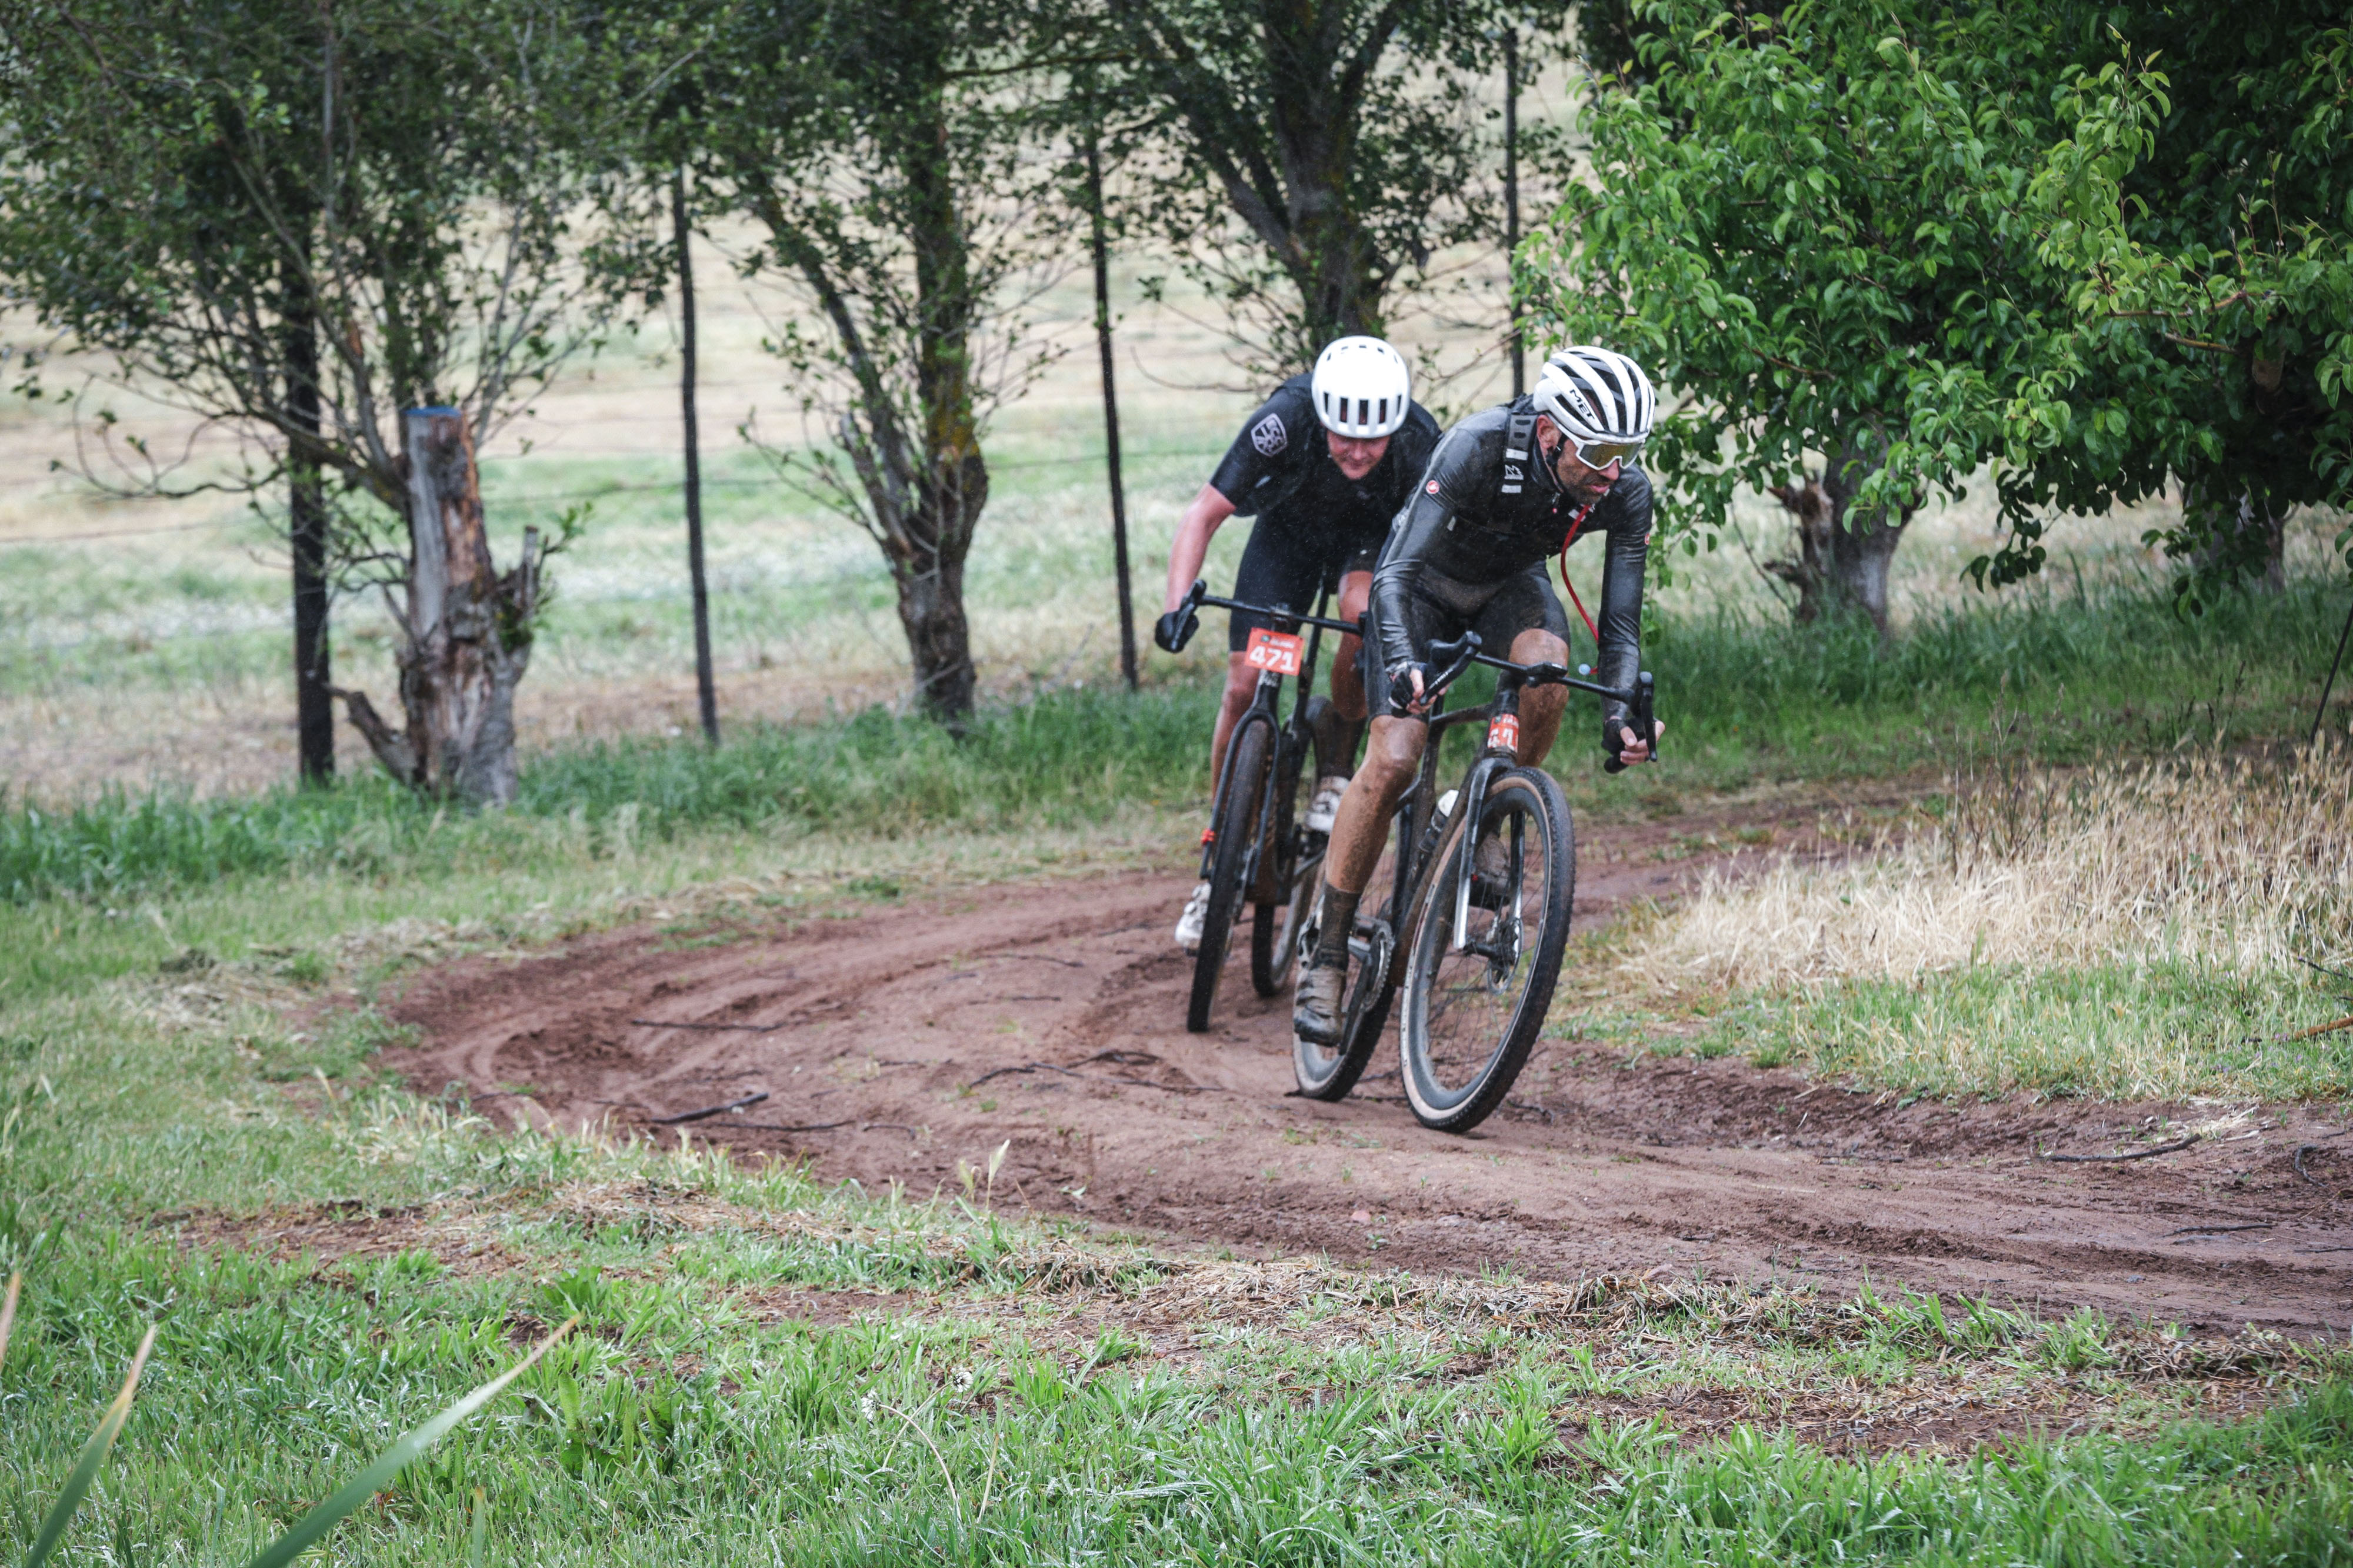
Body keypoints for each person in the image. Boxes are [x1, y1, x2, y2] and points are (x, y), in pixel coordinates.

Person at [1292, 345, 1666, 1042]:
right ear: (1551, 432)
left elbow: (1618, 626)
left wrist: (1620, 713)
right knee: (1396, 757)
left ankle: (1486, 818)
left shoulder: (1623, 490)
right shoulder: (1477, 445)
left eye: (1628, 450)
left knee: (1548, 671)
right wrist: (1403, 661)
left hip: (1506, 590)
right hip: (1418, 589)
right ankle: (1329, 950)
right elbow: (1396, 575)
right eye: (1600, 450)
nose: (1613, 470)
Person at [1154, 336, 1442, 952]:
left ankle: (1336, 759)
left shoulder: (1420, 440)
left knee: (1359, 616)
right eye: (1344, 437)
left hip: (1365, 545)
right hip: (1284, 539)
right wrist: (1176, 605)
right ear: (1321, 418)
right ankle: (1218, 860)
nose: (1359, 452)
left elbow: (1439, 542)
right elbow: (1203, 512)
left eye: (1373, 438)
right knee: (1241, 685)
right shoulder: (1284, 420)